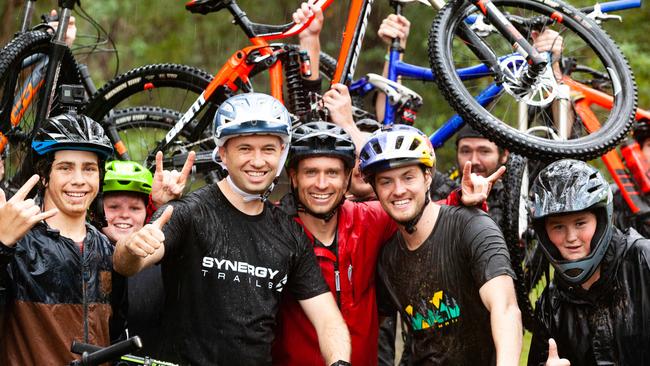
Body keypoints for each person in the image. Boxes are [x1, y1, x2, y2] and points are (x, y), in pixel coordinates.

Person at [112, 93, 351, 365]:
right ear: (223, 153)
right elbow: (127, 264)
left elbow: (328, 319)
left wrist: (340, 362)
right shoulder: (190, 212)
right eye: (245, 148)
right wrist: (131, 247)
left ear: (282, 154)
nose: (258, 161)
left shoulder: (290, 233)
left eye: (269, 149)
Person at [360, 125, 522, 365]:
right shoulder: (389, 257)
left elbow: (505, 308)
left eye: (408, 177)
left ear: (427, 177)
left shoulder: (472, 227)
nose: (398, 190)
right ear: (375, 189)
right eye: (386, 181)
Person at [0, 112, 114, 364]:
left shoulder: (105, 247)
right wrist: (1, 243)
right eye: (65, 168)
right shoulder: (19, 240)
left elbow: (115, 334)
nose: (79, 180)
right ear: (43, 175)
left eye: (89, 168)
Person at [526, 159, 650, 366]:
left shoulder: (643, 261)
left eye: (580, 223)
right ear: (544, 233)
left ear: (601, 220)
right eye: (558, 227)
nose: (571, 237)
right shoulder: (551, 304)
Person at [100, 155, 194, 354]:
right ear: (97, 210)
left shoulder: (162, 258)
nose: (125, 215)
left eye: (135, 208)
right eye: (114, 207)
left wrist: (163, 206)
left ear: (147, 213)